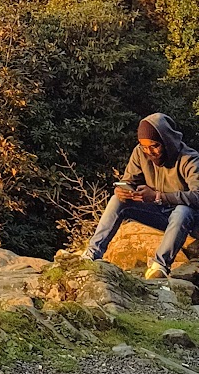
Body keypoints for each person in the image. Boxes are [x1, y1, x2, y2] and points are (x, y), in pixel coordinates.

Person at [81, 113, 199, 279]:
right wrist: (124, 190)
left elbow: (197, 196)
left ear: (167, 142)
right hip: (162, 214)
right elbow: (129, 180)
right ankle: (92, 254)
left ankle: (160, 266)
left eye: (154, 146)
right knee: (117, 200)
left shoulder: (189, 159)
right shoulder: (140, 153)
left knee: (182, 211)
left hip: (189, 220)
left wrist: (159, 196)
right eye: (144, 146)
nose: (149, 152)